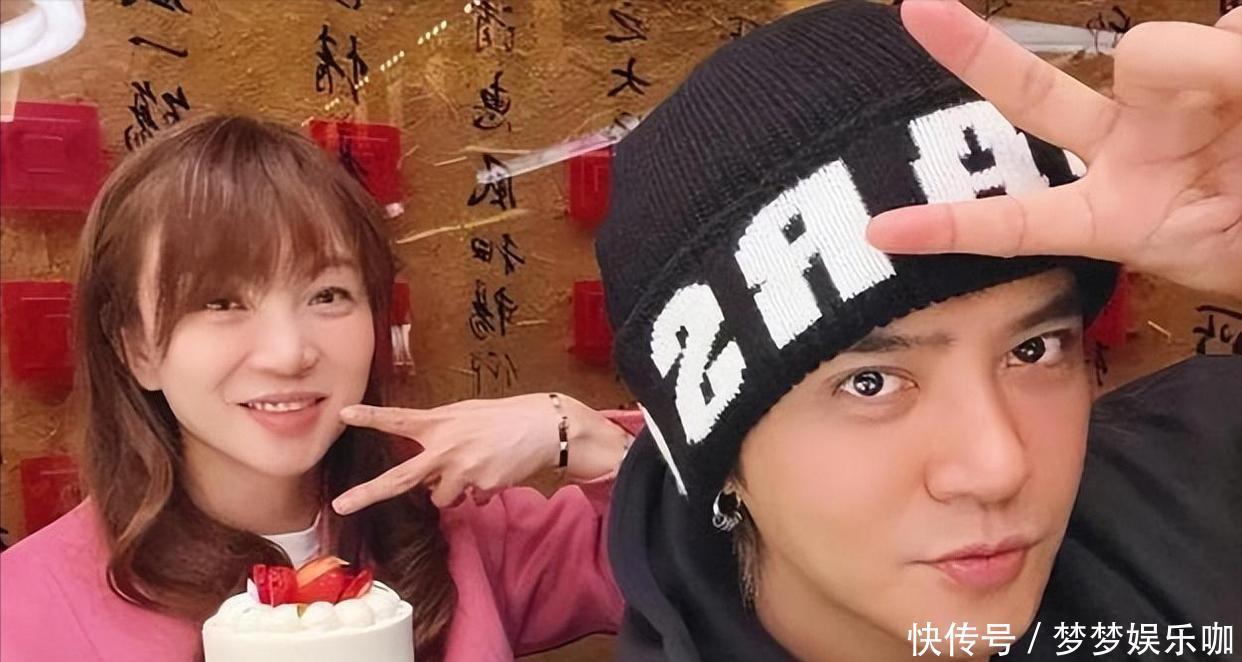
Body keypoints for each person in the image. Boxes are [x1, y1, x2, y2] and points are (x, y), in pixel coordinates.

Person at [595, 1, 1241, 661]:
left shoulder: (1200, 484)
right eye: (871, 383)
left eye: (1033, 349)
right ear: (721, 461)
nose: (998, 467)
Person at [0, 115, 634, 662]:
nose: (289, 354)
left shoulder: (460, 530)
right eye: (220, 303)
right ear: (137, 348)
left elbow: (679, 561)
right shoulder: (25, 610)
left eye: (328, 295)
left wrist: (573, 431)